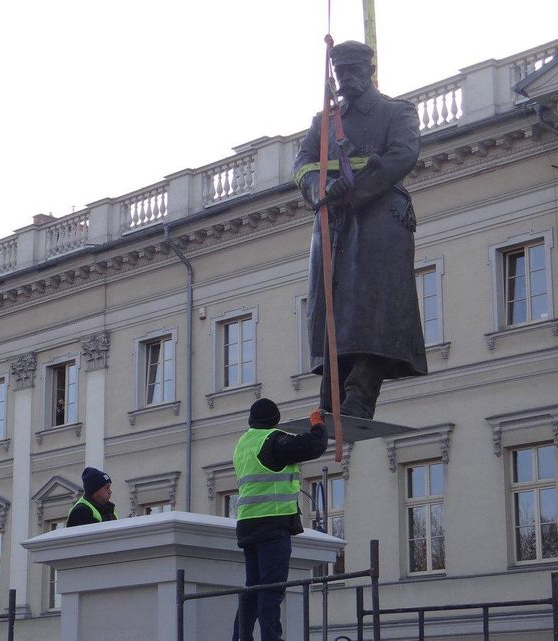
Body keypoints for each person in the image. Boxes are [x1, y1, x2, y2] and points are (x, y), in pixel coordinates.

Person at [292, 39, 427, 419]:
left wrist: (351, 191)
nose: (347, 79)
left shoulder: (396, 112)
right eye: (340, 73)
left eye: (354, 71)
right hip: (333, 221)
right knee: (332, 310)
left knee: (373, 309)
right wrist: (320, 188)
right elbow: (302, 164)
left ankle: (361, 393)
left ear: (370, 71)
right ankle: (331, 395)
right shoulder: (324, 121)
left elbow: (403, 155)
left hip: (378, 216)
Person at [232, 398, 328, 641]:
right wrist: (317, 424)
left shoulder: (243, 443)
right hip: (272, 524)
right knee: (271, 589)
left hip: (248, 524)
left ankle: (241, 638)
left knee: (252, 588)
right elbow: (313, 446)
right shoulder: (273, 440)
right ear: (275, 420)